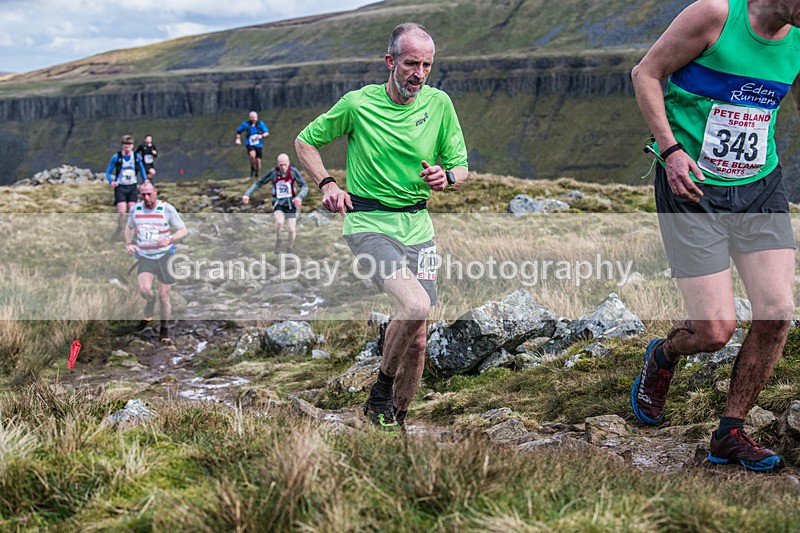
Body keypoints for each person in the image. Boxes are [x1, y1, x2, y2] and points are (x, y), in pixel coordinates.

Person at [630, 0, 800, 472]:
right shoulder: (715, 15)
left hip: (759, 186)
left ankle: (730, 432)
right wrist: (672, 151)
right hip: (693, 187)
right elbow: (644, 74)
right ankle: (663, 354)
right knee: (713, 331)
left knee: (777, 312)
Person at [295, 22, 468, 432]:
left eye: (427, 65)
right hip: (368, 223)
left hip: (418, 226)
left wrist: (448, 177)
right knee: (415, 305)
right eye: (411, 63)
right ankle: (380, 394)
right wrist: (328, 183)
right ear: (391, 62)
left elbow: (461, 166)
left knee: (420, 339)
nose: (419, 74)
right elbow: (305, 141)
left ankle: (396, 424)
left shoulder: (440, 104)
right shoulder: (358, 105)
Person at [124, 181, 188, 344]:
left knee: (164, 296)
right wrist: (129, 243)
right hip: (145, 257)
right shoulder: (136, 209)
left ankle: (164, 328)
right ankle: (149, 303)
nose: (146, 197)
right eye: (143, 194)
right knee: (144, 290)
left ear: (155, 192)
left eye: (149, 194)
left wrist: (170, 239)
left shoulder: (166, 208)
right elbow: (129, 227)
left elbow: (183, 229)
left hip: (165, 256)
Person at [242, 153, 309, 254]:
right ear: (278, 164)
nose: (283, 167)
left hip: (291, 204)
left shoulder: (294, 172)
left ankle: (289, 248)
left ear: (289, 163)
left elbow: (305, 186)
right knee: (280, 222)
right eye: (280, 165)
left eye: (285, 165)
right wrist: (247, 194)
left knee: (291, 230)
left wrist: (299, 197)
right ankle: (278, 240)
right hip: (279, 204)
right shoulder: (273, 173)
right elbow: (259, 183)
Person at [106, 135, 147, 241]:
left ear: (132, 146)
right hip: (120, 188)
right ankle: (119, 228)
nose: (127, 147)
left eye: (129, 145)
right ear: (122, 146)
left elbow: (142, 169)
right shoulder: (117, 157)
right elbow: (108, 172)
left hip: (132, 187)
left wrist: (145, 181)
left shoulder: (136, 157)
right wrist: (111, 181)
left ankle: (131, 236)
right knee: (122, 212)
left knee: (132, 211)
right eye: (125, 145)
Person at [235, 111, 270, 178]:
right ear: (250, 118)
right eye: (253, 118)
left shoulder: (260, 124)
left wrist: (261, 136)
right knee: (252, 155)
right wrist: (238, 139)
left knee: (258, 161)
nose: (254, 119)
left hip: (258, 144)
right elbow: (238, 131)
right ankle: (252, 169)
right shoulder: (245, 124)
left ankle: (256, 174)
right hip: (249, 143)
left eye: (255, 118)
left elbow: (267, 132)